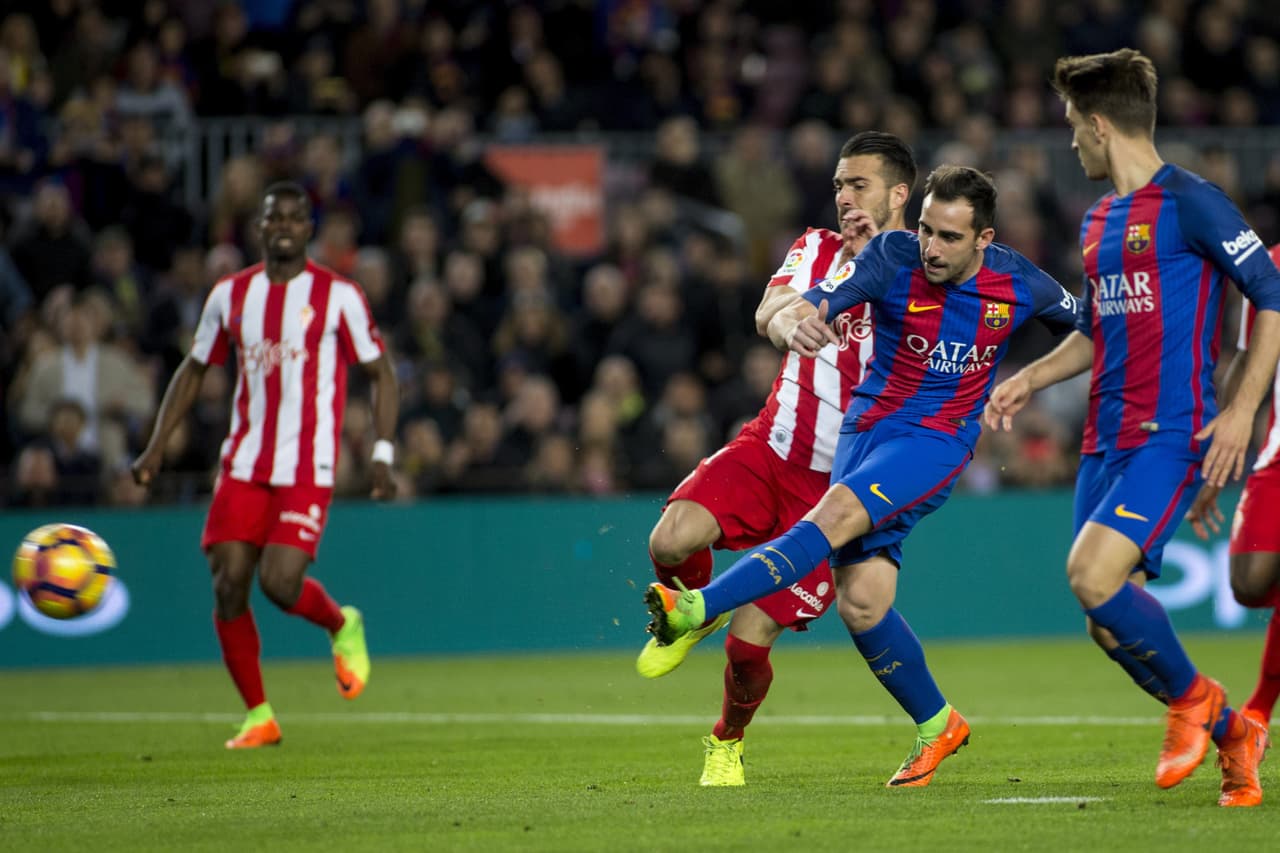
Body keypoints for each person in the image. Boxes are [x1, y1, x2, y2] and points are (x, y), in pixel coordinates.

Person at [644, 164, 1078, 788]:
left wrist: (1030, 379)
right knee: (863, 604)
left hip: (933, 440)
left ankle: (697, 608)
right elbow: (823, 298)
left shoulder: (1020, 281)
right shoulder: (891, 255)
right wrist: (804, 317)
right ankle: (938, 725)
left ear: (985, 239)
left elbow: (1092, 327)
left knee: (831, 516)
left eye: (950, 237)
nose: (931, 247)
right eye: (927, 230)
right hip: (865, 432)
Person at [984, 49, 1280, 808]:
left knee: (1091, 576)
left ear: (1100, 124)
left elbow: (1271, 295)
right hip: (1103, 441)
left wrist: (1242, 412)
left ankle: (1198, 700)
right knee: (1106, 622)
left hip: (1170, 431)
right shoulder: (1098, 220)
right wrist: (1028, 375)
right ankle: (1232, 732)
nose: (1071, 143)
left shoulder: (1191, 201)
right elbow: (1091, 330)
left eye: (1073, 128)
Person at [637, 132, 918, 788]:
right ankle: (685, 612)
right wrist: (789, 324)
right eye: (841, 185)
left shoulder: (922, 276)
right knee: (670, 537)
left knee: (748, 636)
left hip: (839, 492)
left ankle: (726, 740)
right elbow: (769, 307)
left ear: (899, 195)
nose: (846, 197)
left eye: (862, 185)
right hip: (771, 447)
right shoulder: (814, 248)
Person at [131, 181, 400, 749]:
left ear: (309, 229)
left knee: (279, 583)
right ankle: (260, 715)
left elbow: (381, 372)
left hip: (307, 466)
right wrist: (157, 445)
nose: (283, 226)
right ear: (259, 227)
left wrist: (381, 451)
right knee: (229, 583)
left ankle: (339, 623)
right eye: (273, 217)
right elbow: (193, 369)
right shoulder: (230, 296)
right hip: (244, 463)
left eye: (295, 218)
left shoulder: (339, 296)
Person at [1186, 242, 1280, 732]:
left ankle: (1259, 710)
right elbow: (1247, 360)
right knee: (1249, 582)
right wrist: (1214, 458)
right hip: (1277, 456)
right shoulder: (1270, 266)